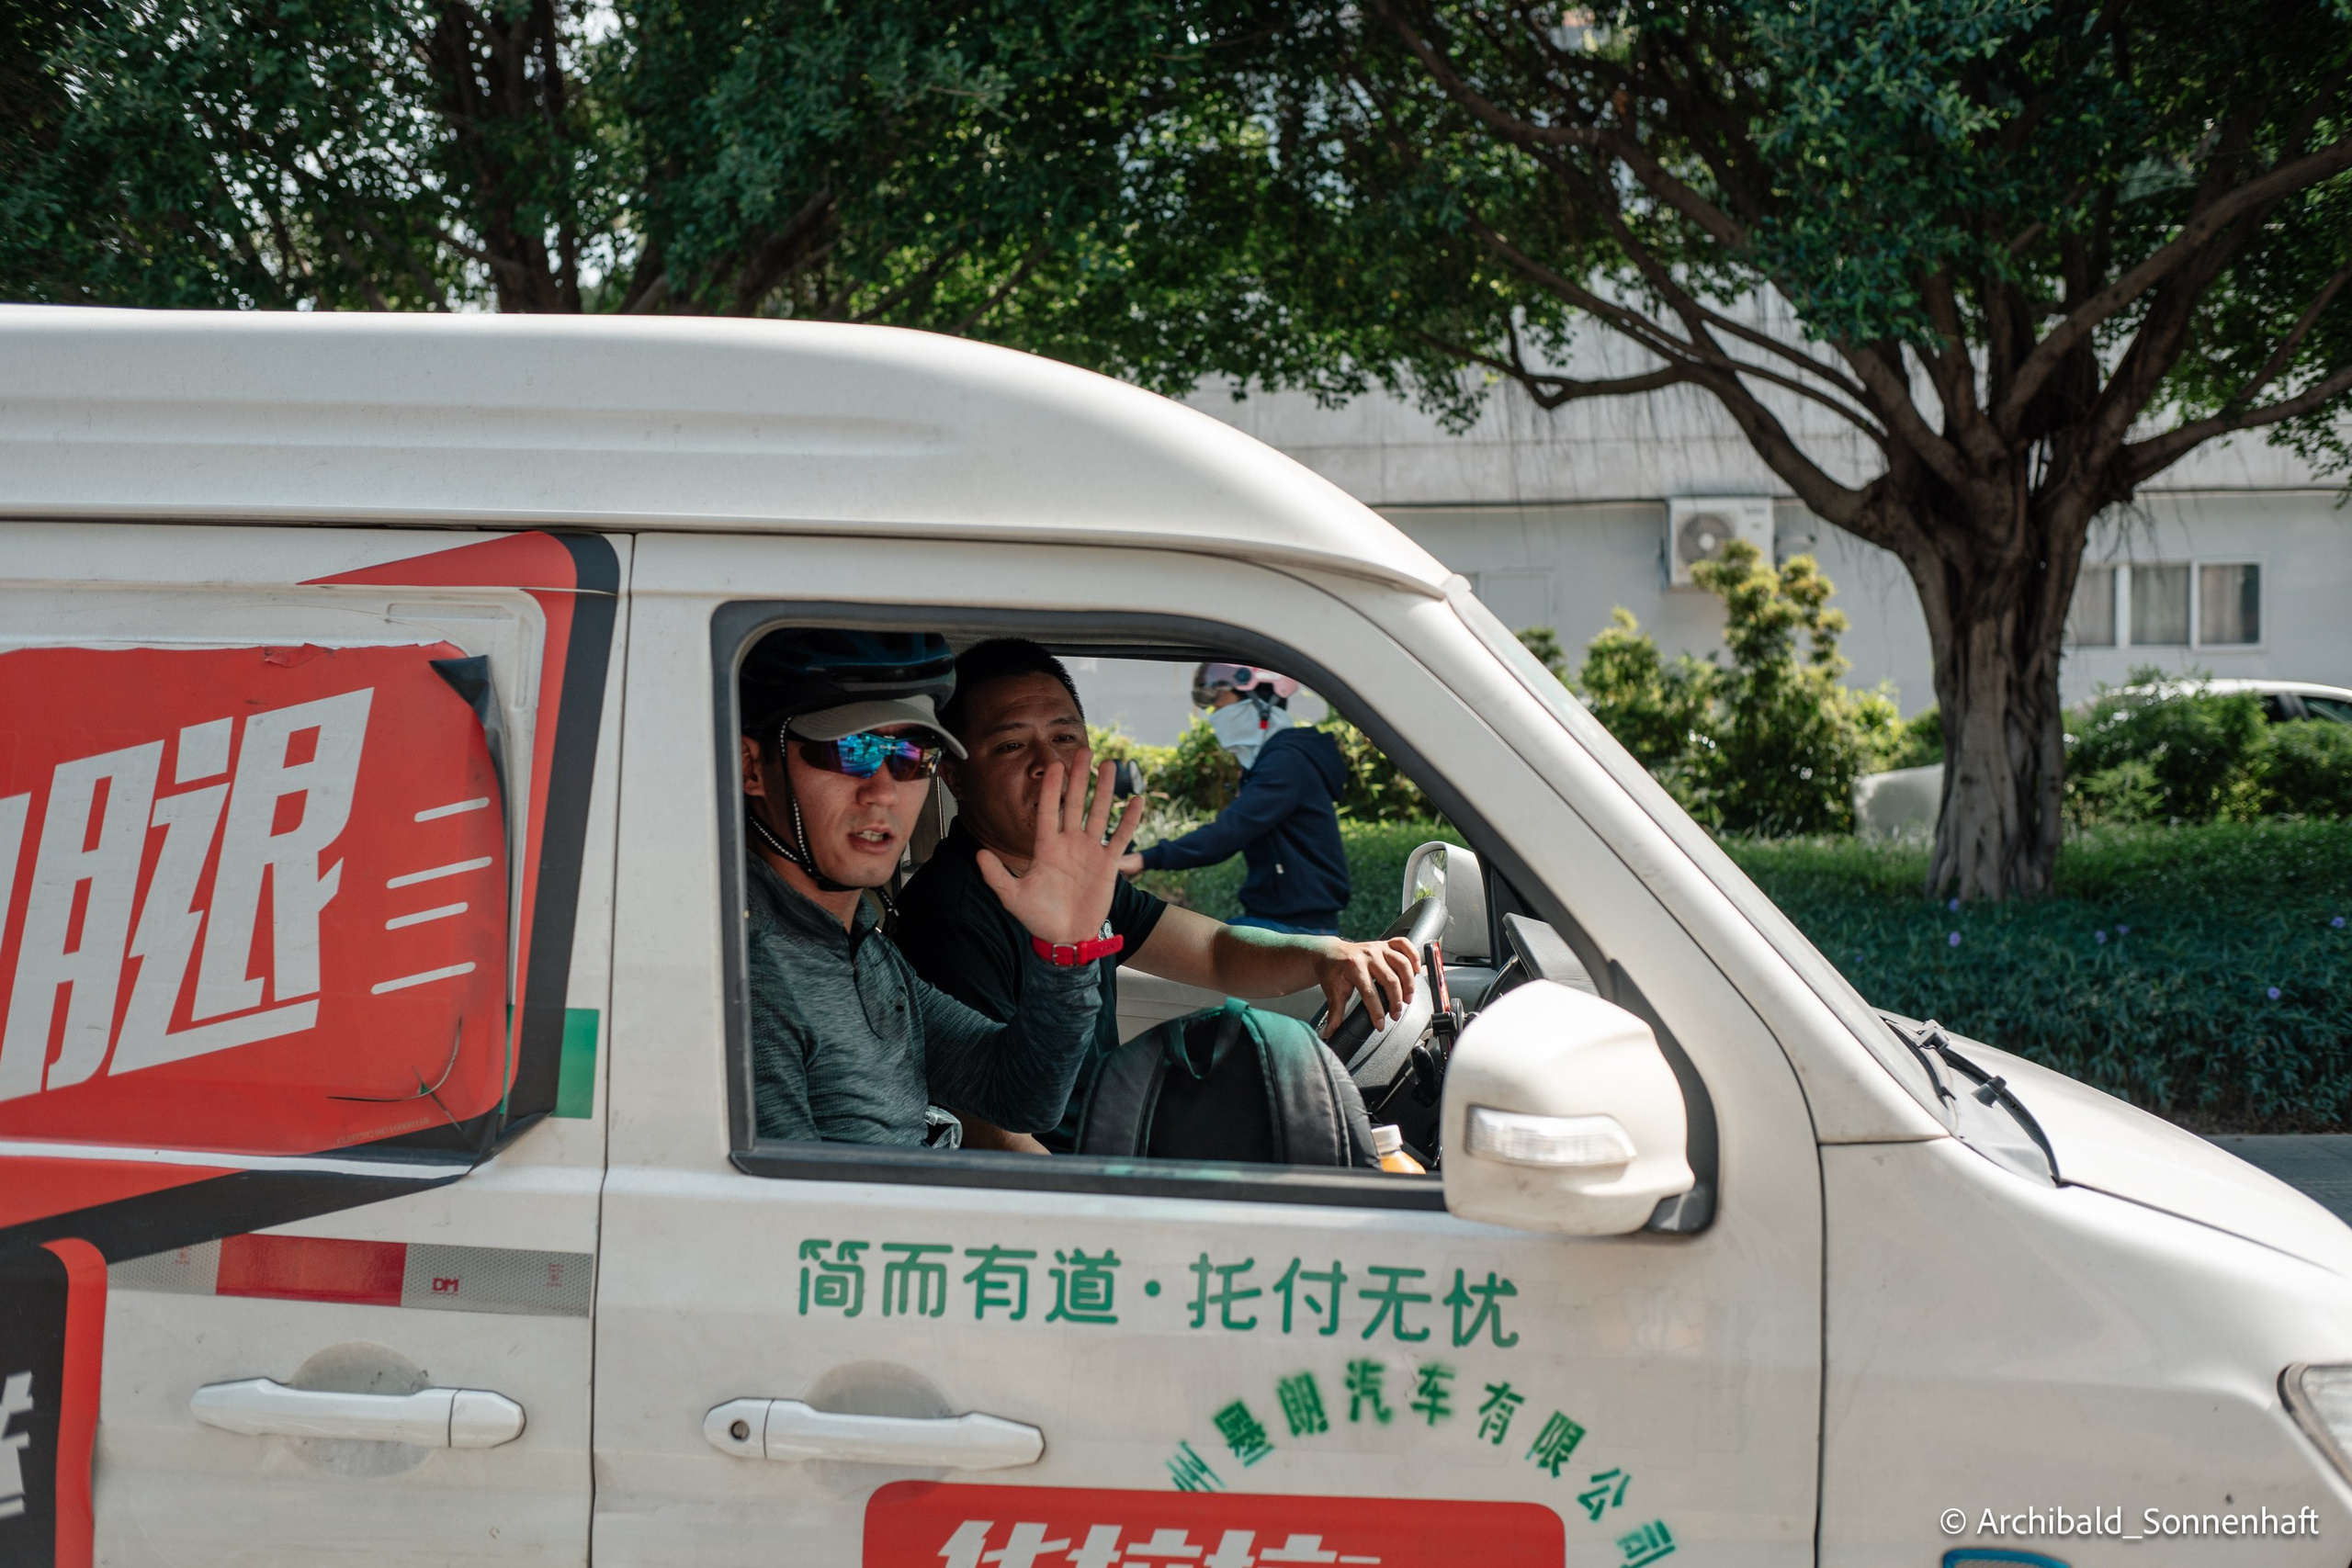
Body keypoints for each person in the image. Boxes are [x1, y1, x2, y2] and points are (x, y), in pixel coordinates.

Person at [894, 639, 1416, 1152]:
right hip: (1068, 1185)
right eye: (1011, 745)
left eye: (1065, 738)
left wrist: (1328, 953)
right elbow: (992, 1130)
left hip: (1113, 1143)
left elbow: (1215, 953)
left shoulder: (1070, 877)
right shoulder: (948, 916)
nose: (1049, 765)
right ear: (955, 777)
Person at [737, 628, 1142, 1148]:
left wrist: (1066, 953)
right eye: (849, 751)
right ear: (753, 766)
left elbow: (1018, 1097)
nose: (884, 789)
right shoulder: (747, 976)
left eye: (910, 755)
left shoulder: (864, 951)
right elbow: (786, 1217)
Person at [1120, 660, 1353, 936]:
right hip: (1285, 918)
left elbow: (1229, 832)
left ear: (1259, 702)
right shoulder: (1277, 758)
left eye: (1219, 707)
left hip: (1295, 928)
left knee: (1177, 946)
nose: (1214, 715)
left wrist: (1143, 859)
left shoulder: (1286, 761)